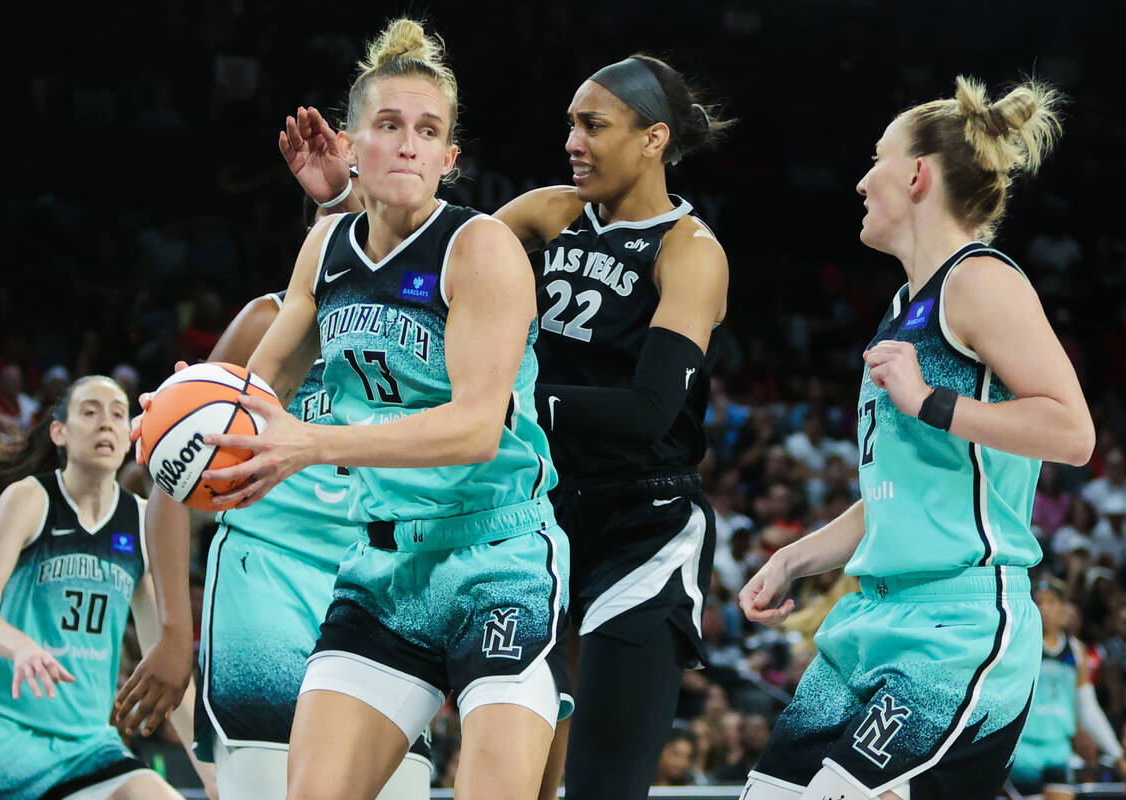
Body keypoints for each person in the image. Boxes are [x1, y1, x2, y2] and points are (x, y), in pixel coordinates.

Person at [140, 19, 568, 800]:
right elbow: (252, 400)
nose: (408, 144)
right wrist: (181, 414)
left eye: (428, 131)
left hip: (496, 555)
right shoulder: (326, 251)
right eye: (390, 125)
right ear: (355, 143)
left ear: (450, 158)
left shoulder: (479, 250)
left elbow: (476, 428)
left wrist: (313, 439)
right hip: (383, 566)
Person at [289, 51, 733, 800]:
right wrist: (347, 197)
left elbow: (647, 413)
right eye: (570, 124)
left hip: (642, 521)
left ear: (653, 139)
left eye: (593, 125)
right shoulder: (543, 213)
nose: (572, 141)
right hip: (539, 512)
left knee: (601, 785)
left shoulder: (691, 252)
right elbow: (420, 272)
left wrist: (500, 399)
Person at [739, 76, 1093, 800]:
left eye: (878, 159)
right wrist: (793, 557)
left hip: (955, 626)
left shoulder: (980, 280)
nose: (863, 180)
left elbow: (1071, 429)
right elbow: (903, 496)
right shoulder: (904, 309)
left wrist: (930, 401)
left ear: (918, 173)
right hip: (870, 618)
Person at [116, 291, 431, 800]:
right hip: (265, 579)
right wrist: (174, 635)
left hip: (376, 593)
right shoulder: (269, 320)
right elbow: (171, 489)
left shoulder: (425, 322)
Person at [0, 376, 214, 799]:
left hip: (87, 745)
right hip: (0, 737)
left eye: (118, 414)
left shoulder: (142, 522)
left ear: (129, 437)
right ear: (59, 432)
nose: (106, 423)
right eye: (90, 411)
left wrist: (210, 775)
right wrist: (21, 647)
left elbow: (169, 667)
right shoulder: (30, 499)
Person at [1010, 580, 1126, 799]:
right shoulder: (1020, 646)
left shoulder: (1075, 650)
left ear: (1064, 608)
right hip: (1024, 749)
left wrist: (1117, 754)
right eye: (1039, 603)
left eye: (1051, 602)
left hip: (1059, 749)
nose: (1044, 609)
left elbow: (1088, 708)